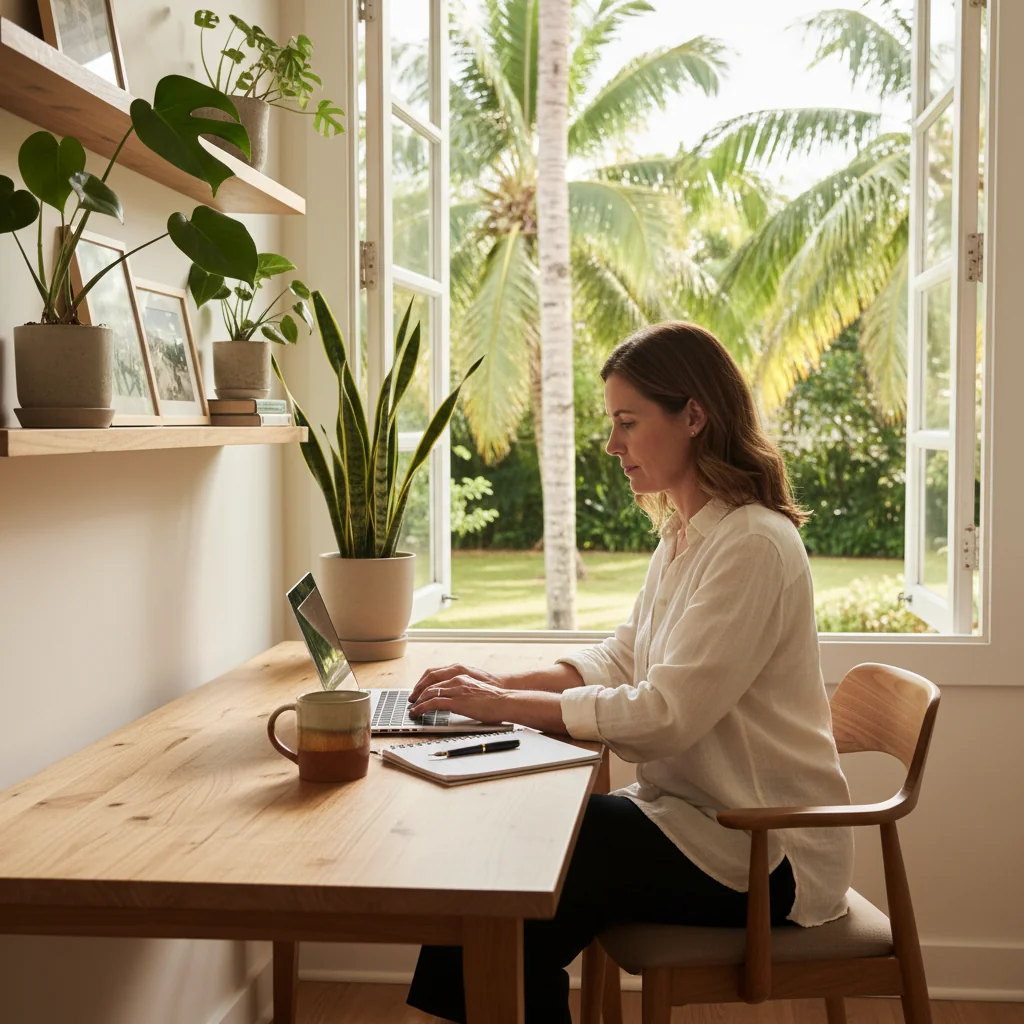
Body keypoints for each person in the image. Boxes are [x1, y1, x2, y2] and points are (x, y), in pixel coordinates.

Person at [405, 321, 854, 1023]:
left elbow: (666, 713)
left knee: (522, 866)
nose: (612, 445)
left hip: (762, 852)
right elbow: (623, 657)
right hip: (691, 823)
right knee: (506, 880)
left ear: (694, 416)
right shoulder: (685, 533)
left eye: (627, 422)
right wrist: (496, 683)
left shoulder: (754, 546)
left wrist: (499, 704)